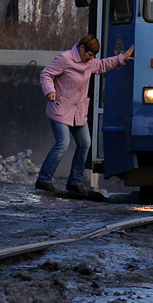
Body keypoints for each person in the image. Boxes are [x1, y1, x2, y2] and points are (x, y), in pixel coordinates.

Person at [35, 34, 134, 196]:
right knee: (62, 143)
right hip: (60, 108)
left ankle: (75, 182)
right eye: (89, 54)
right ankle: (44, 179)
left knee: (85, 143)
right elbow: (46, 74)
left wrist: (121, 58)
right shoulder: (65, 59)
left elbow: (102, 65)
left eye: (93, 55)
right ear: (81, 48)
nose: (91, 58)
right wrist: (50, 91)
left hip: (78, 112)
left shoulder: (89, 63)